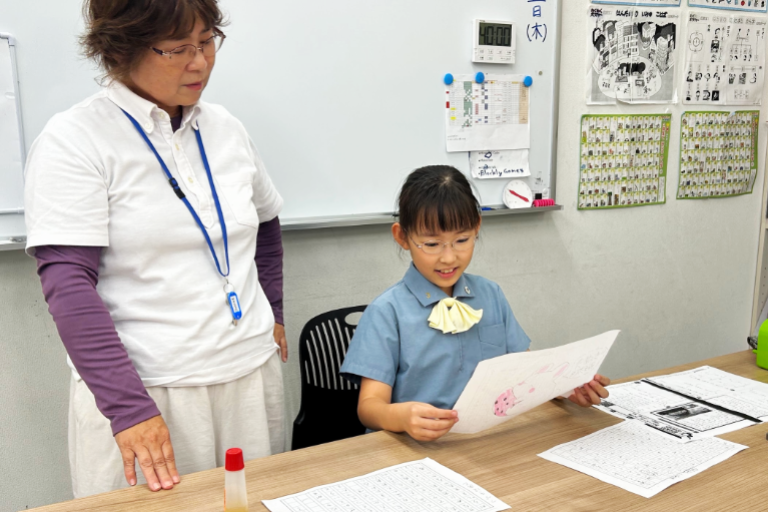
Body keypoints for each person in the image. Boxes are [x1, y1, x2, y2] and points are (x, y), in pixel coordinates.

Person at [24, 0, 287, 498]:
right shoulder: (74, 139)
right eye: (177, 49)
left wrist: (272, 309)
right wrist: (129, 410)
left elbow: (266, 222)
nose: (200, 62)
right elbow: (68, 284)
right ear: (121, 47)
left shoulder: (226, 128)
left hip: (250, 377)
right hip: (151, 390)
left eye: (207, 42)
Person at [340, 166, 610, 442]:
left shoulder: (490, 294)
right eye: (432, 244)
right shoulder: (386, 312)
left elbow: (527, 371)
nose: (449, 257)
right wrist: (401, 417)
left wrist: (566, 387)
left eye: (461, 240)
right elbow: (369, 408)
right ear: (402, 237)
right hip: (415, 446)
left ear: (477, 228)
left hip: (488, 440)